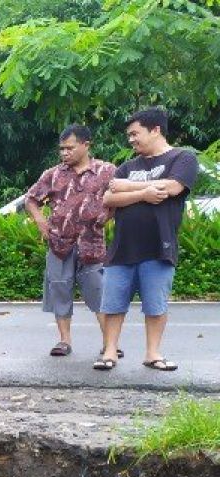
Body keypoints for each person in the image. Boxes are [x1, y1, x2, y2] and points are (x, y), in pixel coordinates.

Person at [96, 108, 199, 371]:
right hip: (121, 248)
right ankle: (110, 352)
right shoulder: (128, 166)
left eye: (134, 133)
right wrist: (144, 193)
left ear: (155, 130)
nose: (130, 140)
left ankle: (153, 354)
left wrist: (127, 187)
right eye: (129, 135)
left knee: (155, 304)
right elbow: (109, 197)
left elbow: (172, 188)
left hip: (159, 246)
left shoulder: (182, 157)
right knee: (113, 303)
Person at [24, 124, 116, 358]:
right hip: (59, 243)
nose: (65, 153)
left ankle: (110, 344)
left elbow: (119, 197)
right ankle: (64, 341)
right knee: (60, 289)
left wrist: (108, 215)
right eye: (62, 149)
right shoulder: (53, 174)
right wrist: (40, 222)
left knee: (99, 293)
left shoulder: (106, 171)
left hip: (92, 244)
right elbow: (31, 199)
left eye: (70, 148)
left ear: (86, 145)